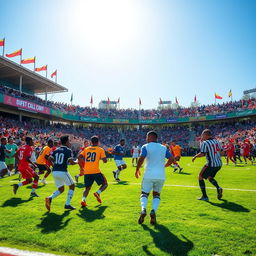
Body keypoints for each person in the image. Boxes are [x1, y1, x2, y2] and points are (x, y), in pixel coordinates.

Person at [135, 131, 174, 225]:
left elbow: (141, 158)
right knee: (156, 194)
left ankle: (143, 210)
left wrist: (137, 169)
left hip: (149, 174)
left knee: (144, 193)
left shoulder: (146, 146)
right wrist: (165, 166)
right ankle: (153, 211)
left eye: (147, 137)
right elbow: (172, 159)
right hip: (160, 175)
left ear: (150, 137)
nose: (146, 138)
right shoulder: (163, 147)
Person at [45, 135, 77, 211]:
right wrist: (78, 162)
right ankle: (67, 204)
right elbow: (71, 162)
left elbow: (50, 158)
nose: (69, 142)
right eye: (69, 141)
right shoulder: (68, 150)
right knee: (72, 186)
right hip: (62, 171)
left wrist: (54, 164)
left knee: (61, 189)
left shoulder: (56, 150)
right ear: (66, 142)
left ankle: (49, 198)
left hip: (55, 171)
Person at [192, 129, 223, 201]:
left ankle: (205, 196)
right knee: (209, 177)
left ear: (205, 135)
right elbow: (222, 152)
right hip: (219, 164)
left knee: (200, 177)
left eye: (202, 135)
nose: (201, 136)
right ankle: (218, 188)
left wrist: (195, 156)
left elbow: (202, 154)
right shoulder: (217, 141)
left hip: (211, 164)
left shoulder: (205, 143)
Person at [78, 136, 108, 207]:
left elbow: (79, 157)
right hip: (96, 171)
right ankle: (98, 193)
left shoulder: (86, 149)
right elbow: (105, 161)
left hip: (87, 171)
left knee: (87, 188)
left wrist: (84, 163)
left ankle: (83, 200)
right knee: (105, 184)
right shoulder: (100, 149)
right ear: (98, 142)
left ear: (91, 142)